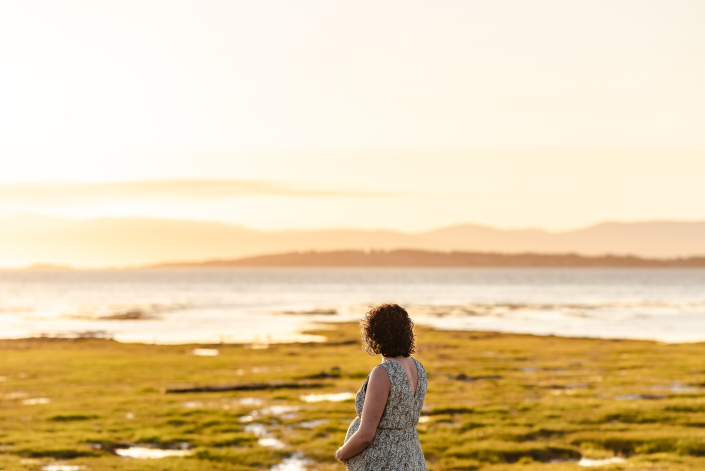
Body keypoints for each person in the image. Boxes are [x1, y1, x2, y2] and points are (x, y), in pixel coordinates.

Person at [335, 303, 428, 470]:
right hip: (412, 458)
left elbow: (365, 436)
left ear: (375, 335)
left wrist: (342, 453)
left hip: (384, 463)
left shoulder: (383, 373)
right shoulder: (418, 367)